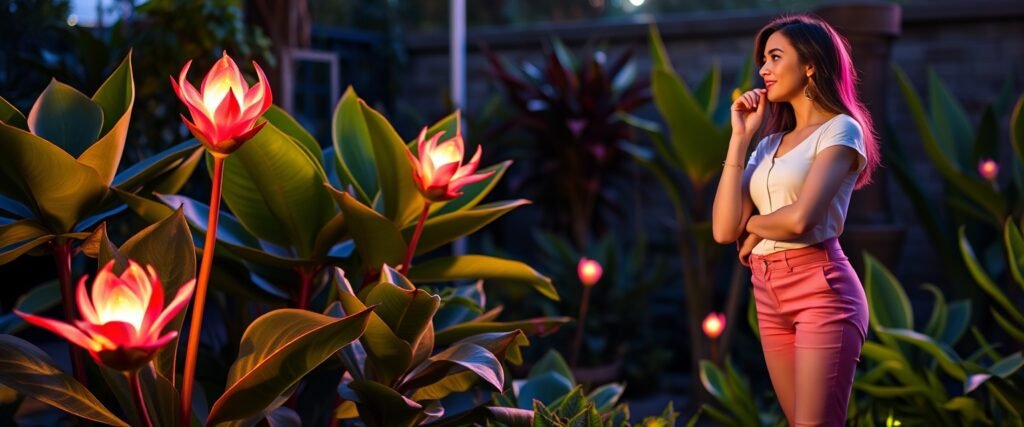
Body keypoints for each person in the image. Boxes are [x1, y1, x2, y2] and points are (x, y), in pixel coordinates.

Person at [711, 13, 880, 426]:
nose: (763, 70)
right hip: (767, 291)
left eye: (774, 57)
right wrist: (739, 138)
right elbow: (721, 229)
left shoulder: (841, 130)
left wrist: (750, 227)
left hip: (822, 289)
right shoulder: (767, 143)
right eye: (762, 61)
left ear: (809, 64)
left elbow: (801, 219)